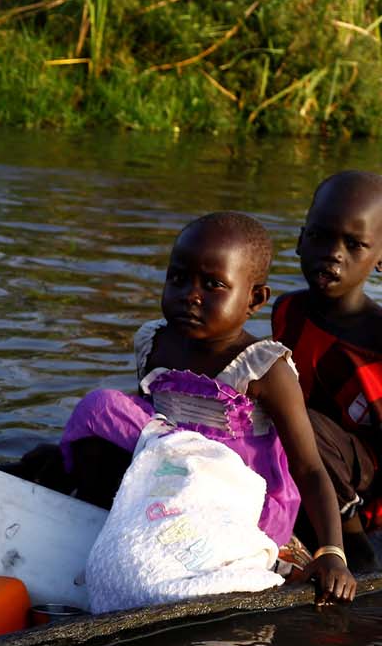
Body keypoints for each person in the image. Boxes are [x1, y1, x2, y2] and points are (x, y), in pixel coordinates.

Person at [60, 212, 356, 603]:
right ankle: (99, 513)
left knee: (110, 411)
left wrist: (332, 553)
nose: (191, 295)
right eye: (178, 278)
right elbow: (148, 426)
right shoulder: (155, 342)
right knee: (102, 409)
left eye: (213, 285)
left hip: (235, 499)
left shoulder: (264, 368)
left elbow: (309, 467)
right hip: (167, 477)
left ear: (254, 299)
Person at [272, 170, 382, 570]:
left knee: (303, 422)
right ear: (301, 241)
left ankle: (353, 547)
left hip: (364, 485)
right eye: (320, 237)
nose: (333, 253)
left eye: (354, 245)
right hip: (309, 461)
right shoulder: (289, 310)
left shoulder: (375, 343)